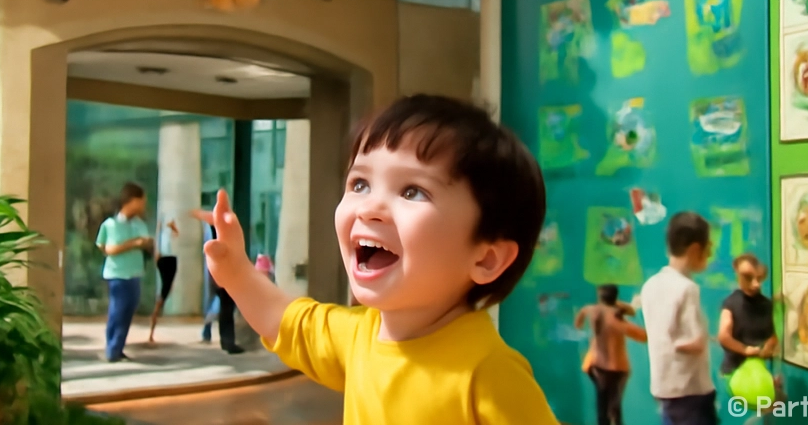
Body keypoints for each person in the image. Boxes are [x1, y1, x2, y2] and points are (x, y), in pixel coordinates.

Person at [198, 94, 559, 423]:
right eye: (359, 184)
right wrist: (236, 271)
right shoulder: (359, 335)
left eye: (412, 191)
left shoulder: (489, 374)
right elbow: (284, 321)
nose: (370, 207)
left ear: (487, 260)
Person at [640, 212, 717, 425]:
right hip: (692, 390)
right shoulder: (687, 288)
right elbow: (696, 342)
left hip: (664, 389)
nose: (710, 254)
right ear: (695, 249)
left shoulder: (650, 286)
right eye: (707, 248)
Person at [95, 182, 153, 362]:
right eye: (141, 200)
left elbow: (146, 243)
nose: (143, 204)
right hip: (117, 275)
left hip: (135, 273)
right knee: (117, 311)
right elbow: (107, 248)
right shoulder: (110, 224)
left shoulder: (139, 224)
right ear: (132, 201)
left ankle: (118, 348)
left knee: (128, 312)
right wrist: (133, 244)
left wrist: (147, 244)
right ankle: (112, 349)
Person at [575, 284, 647, 425]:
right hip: (615, 368)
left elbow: (579, 322)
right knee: (614, 410)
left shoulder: (591, 310)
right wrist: (623, 309)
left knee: (603, 408)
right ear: (615, 298)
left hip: (595, 366)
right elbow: (643, 336)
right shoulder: (615, 320)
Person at [718, 254, 777, 384]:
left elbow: (773, 335)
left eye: (758, 278)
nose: (755, 284)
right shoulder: (731, 303)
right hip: (734, 373)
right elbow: (724, 336)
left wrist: (769, 345)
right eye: (747, 278)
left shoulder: (767, 305)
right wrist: (745, 349)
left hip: (759, 372)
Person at [192, 211, 244, 354]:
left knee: (222, 308)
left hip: (221, 275)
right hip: (223, 275)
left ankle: (223, 339)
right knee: (225, 309)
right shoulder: (219, 234)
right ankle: (227, 341)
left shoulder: (215, 233)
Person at [147, 215, 180, 343]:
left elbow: (174, 234)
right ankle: (152, 326)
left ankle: (152, 328)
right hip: (168, 260)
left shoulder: (167, 234)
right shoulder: (165, 234)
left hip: (168, 259)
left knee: (166, 289)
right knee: (164, 292)